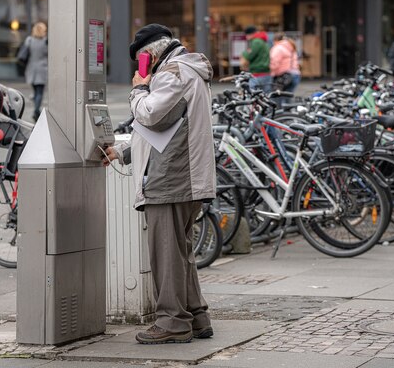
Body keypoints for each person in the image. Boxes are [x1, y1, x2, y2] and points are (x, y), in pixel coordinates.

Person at [103, 24, 215, 345]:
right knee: (180, 252)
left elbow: (151, 116)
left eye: (141, 63)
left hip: (171, 178)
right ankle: (195, 315)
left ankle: (172, 321)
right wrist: (122, 152)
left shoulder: (172, 73)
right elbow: (164, 130)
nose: (142, 70)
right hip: (184, 175)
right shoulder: (184, 71)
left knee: (166, 254)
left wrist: (138, 88)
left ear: (147, 57)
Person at [23, 22, 48, 121]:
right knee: (40, 92)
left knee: (36, 91)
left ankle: (36, 106)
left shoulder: (29, 40)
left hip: (31, 68)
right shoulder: (45, 41)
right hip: (42, 68)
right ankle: (36, 110)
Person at [270, 33, 300, 106]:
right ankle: (288, 115)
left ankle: (279, 116)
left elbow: (274, 63)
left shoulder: (278, 48)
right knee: (287, 99)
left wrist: (270, 72)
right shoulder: (291, 46)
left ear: (275, 40)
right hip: (295, 74)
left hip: (283, 76)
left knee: (276, 98)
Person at [241, 25, 271, 93]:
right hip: (266, 73)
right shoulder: (263, 41)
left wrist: (244, 53)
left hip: (258, 73)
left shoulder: (256, 42)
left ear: (250, 34)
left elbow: (250, 56)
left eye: (246, 35)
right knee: (265, 97)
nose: (246, 37)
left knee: (251, 94)